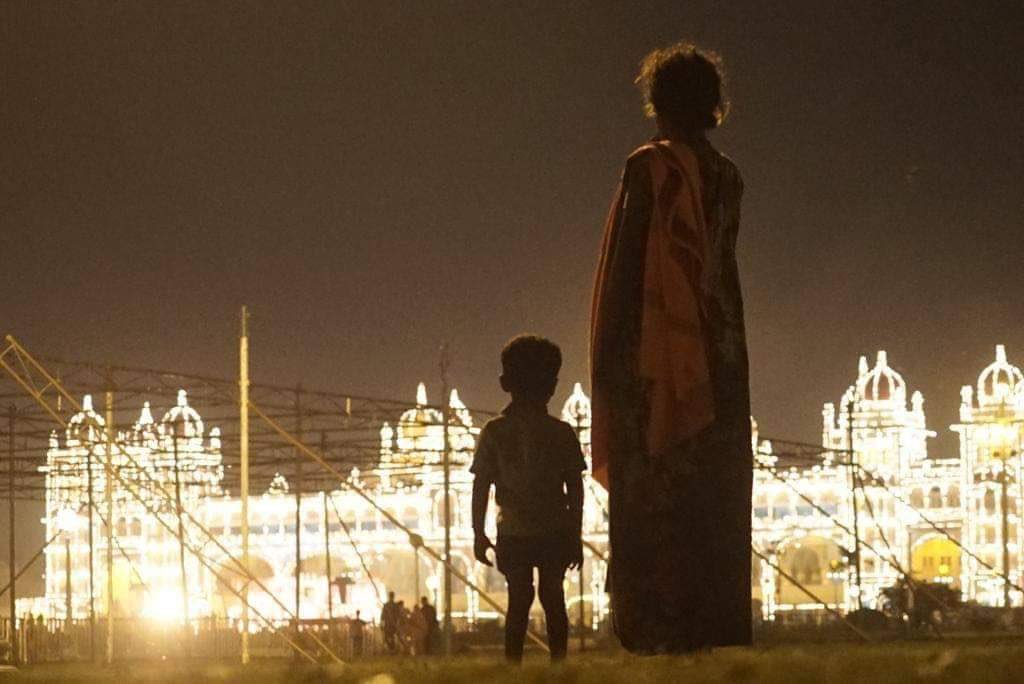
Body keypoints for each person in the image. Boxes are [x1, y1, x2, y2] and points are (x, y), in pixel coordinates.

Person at [590, 42, 752, 653]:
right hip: (724, 355)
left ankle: (656, 629)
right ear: (715, 106)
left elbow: (631, 267)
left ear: (656, 102)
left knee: (655, 490)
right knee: (714, 498)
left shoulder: (651, 168)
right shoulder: (728, 176)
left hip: (655, 358)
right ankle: (715, 629)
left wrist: (610, 358)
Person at [471, 335, 586, 663]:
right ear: (551, 385)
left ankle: (513, 666)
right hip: (554, 530)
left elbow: (481, 488)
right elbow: (575, 491)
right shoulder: (562, 433)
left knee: (519, 598)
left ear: (505, 382)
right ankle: (559, 664)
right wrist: (574, 534)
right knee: (553, 597)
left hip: (514, 531)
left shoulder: (494, 432)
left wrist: (479, 534)